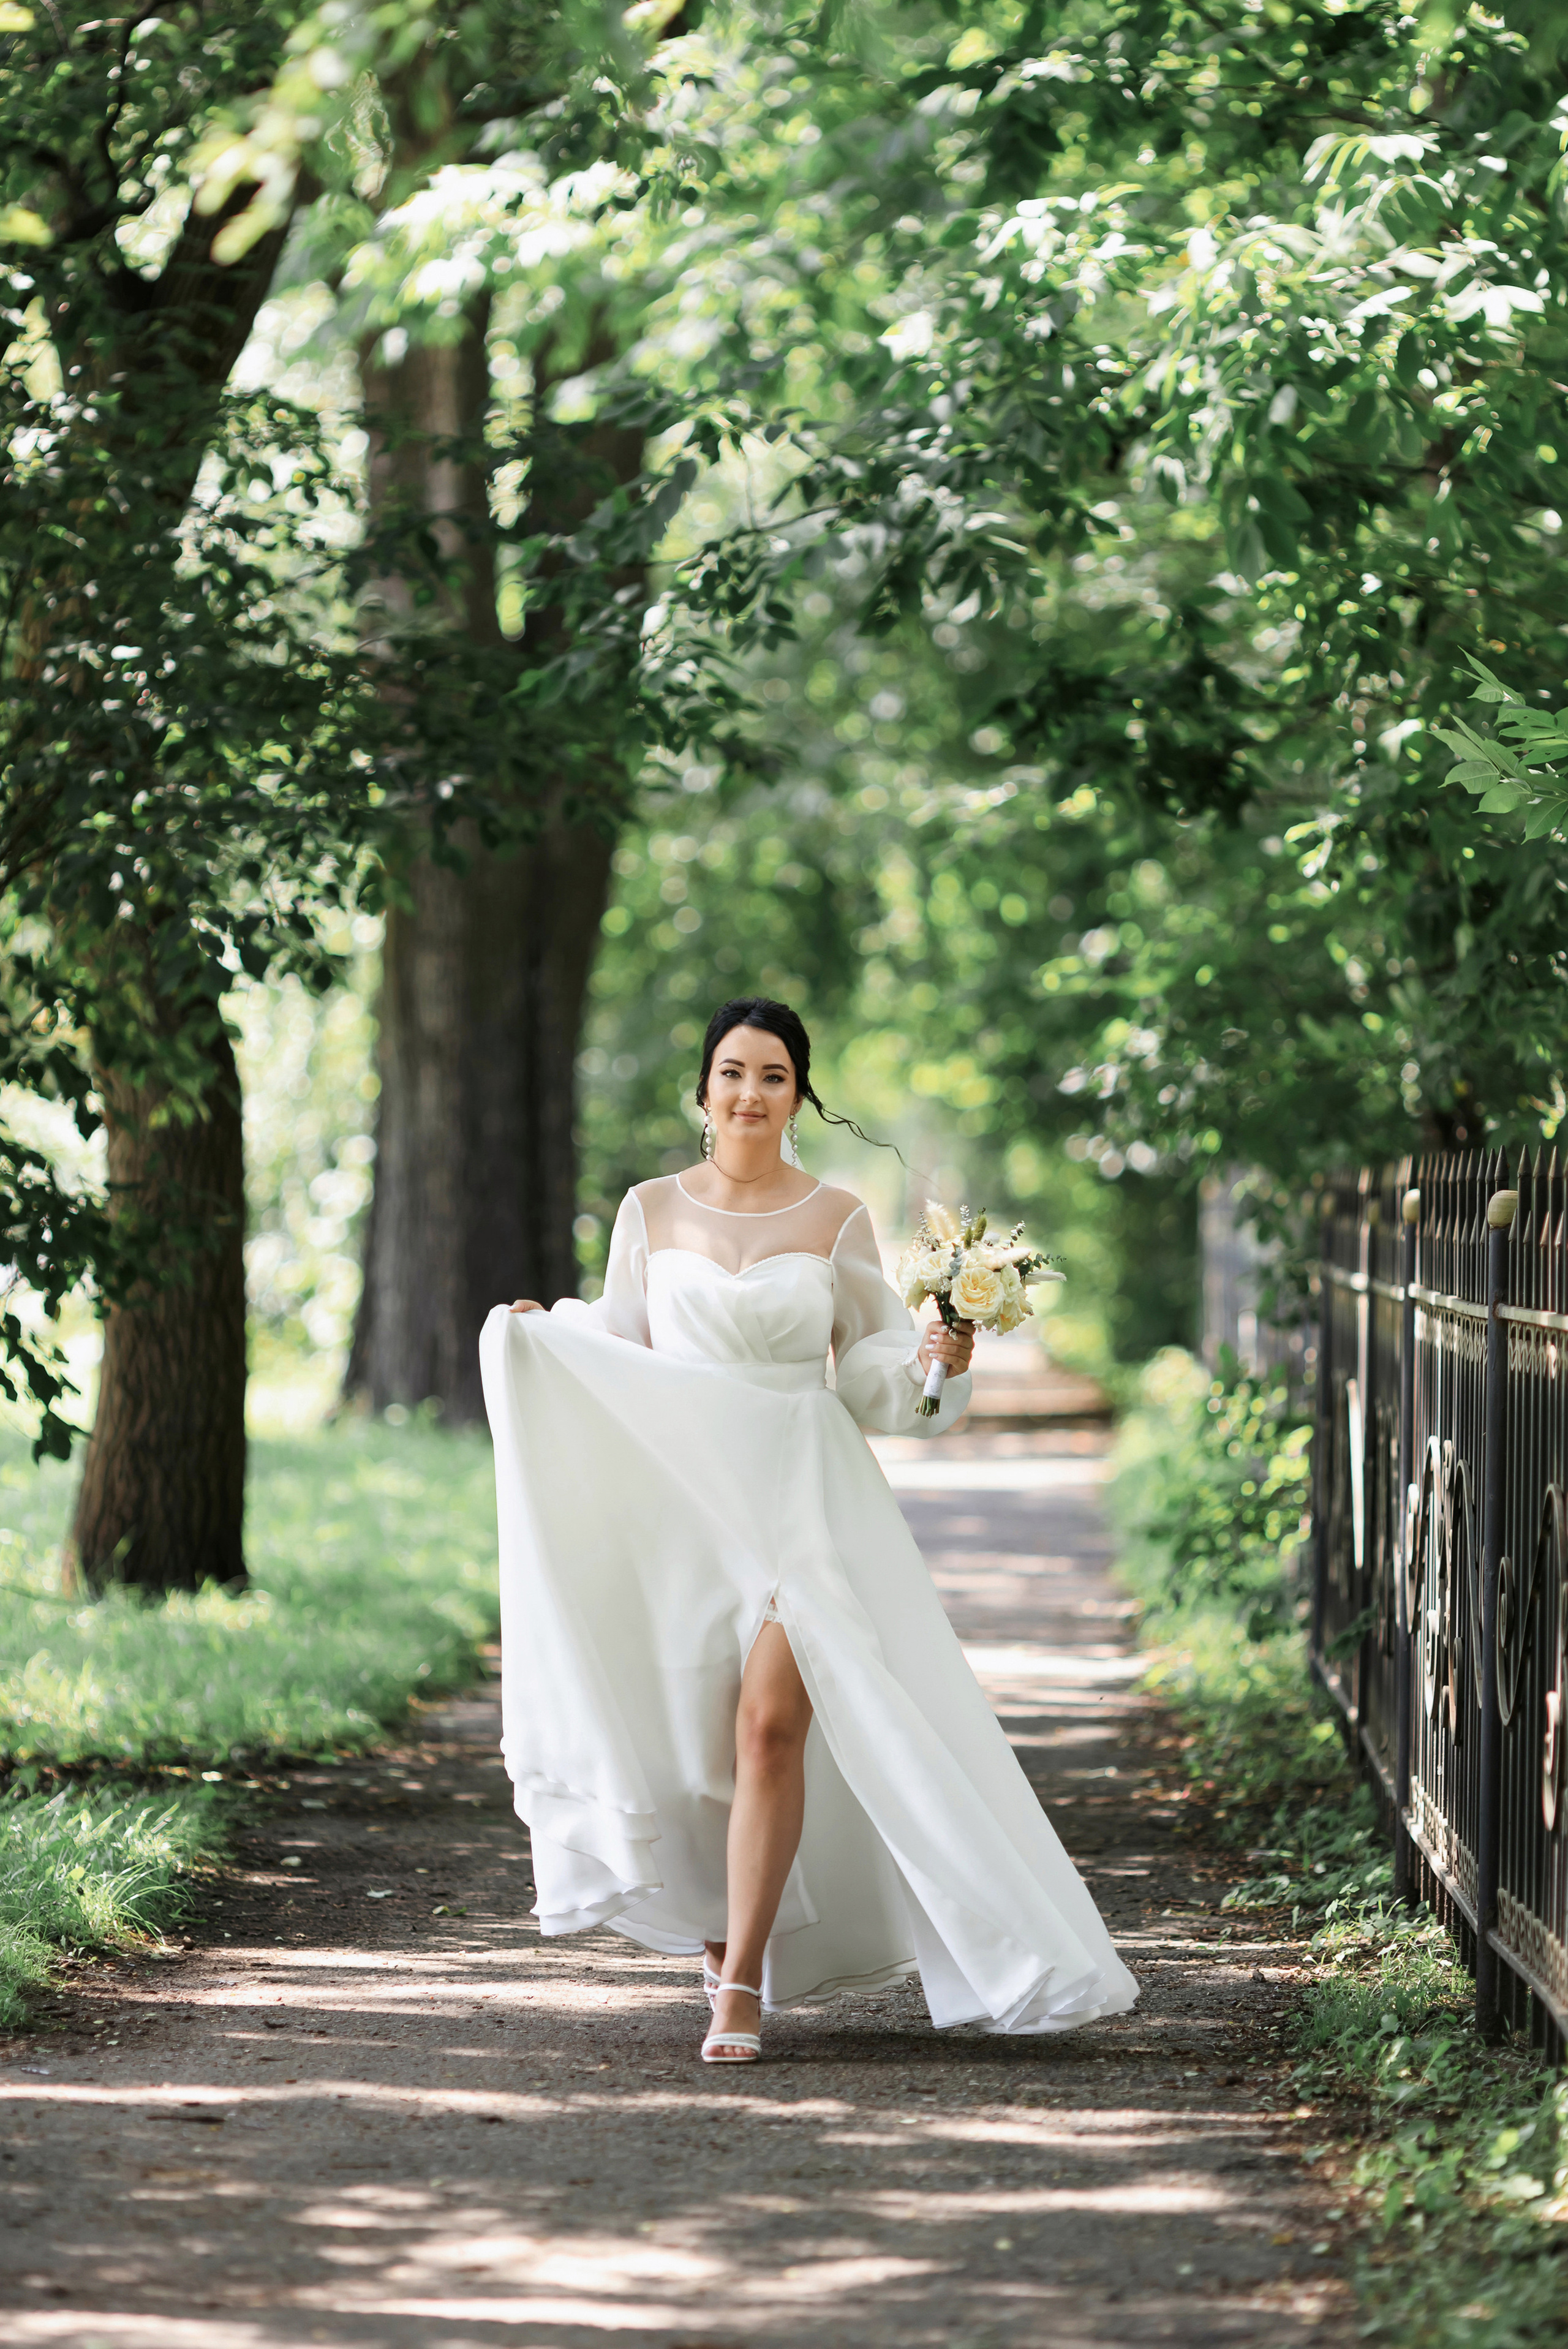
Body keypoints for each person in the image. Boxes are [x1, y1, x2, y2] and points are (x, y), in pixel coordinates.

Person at [481, 996, 1137, 2062]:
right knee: (697, 1750)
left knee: (769, 1729)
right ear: (704, 1088)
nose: (751, 1093)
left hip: (800, 1492)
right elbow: (620, 1346)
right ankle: (720, 1919)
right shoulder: (649, 1210)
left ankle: (739, 1984)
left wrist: (935, 1361)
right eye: (733, 1072)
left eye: (774, 1075)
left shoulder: (836, 1218)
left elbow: (873, 1376)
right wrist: (543, 1338)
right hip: (685, 1502)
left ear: (800, 1094)